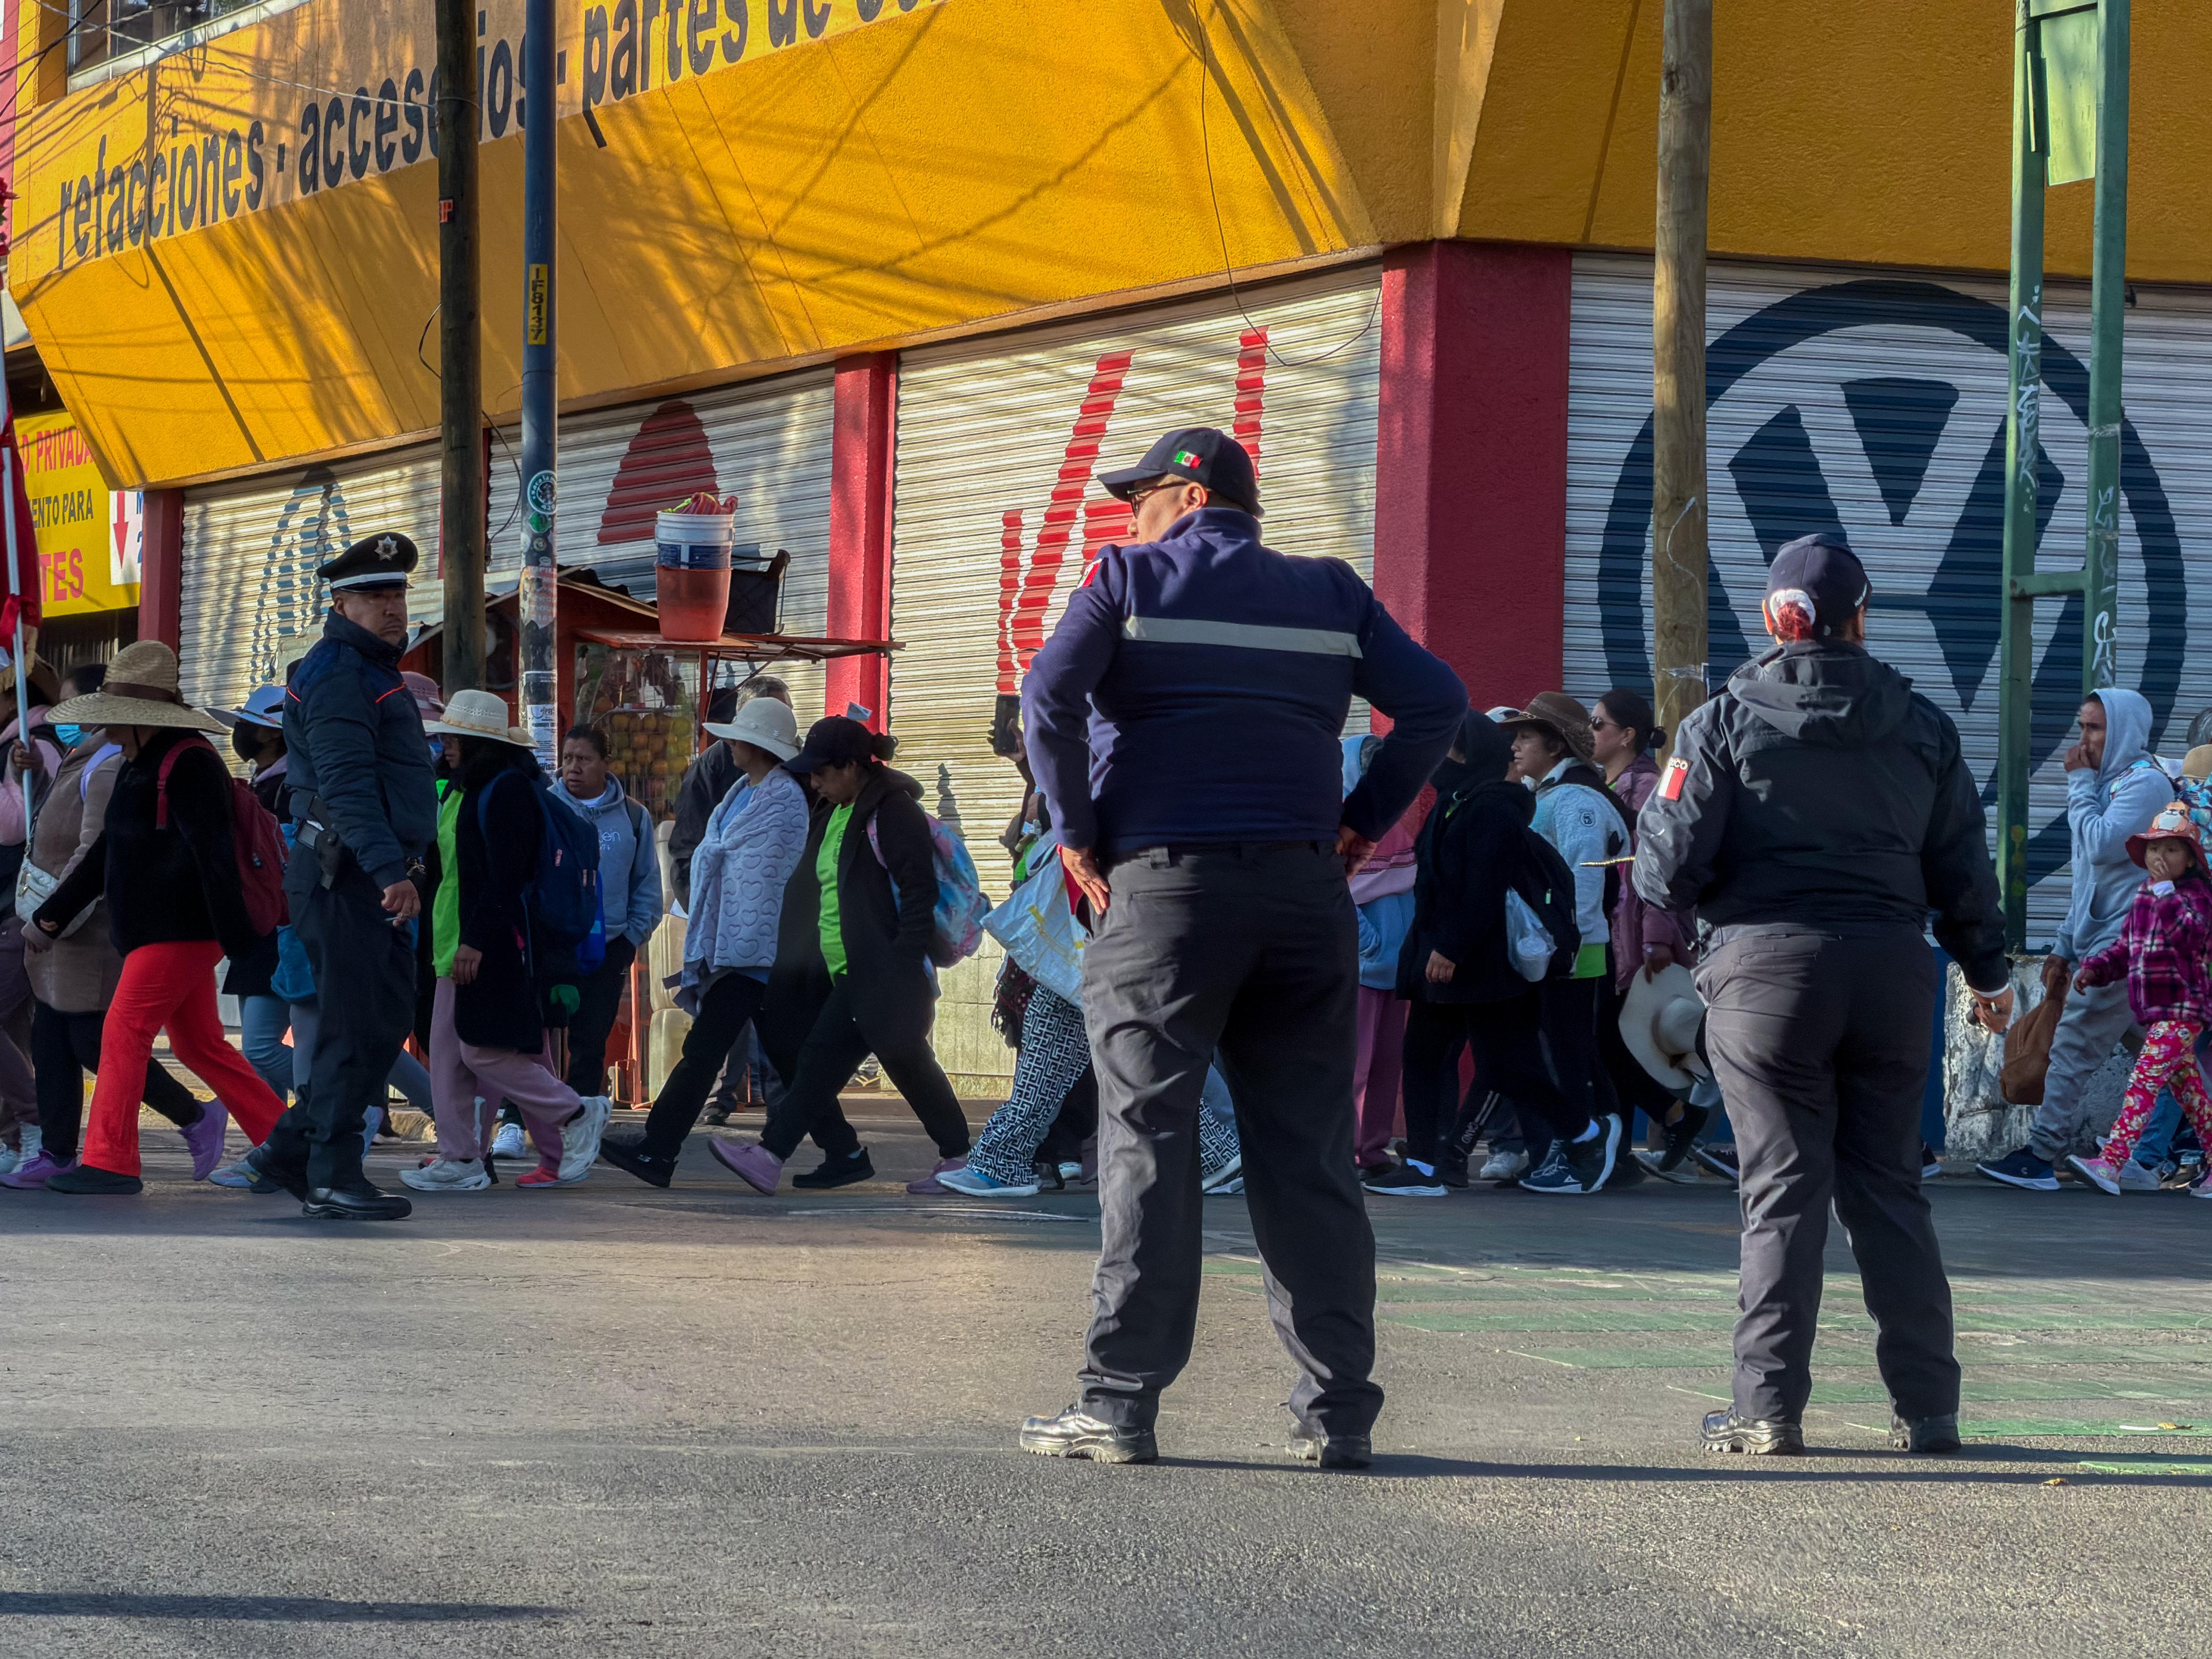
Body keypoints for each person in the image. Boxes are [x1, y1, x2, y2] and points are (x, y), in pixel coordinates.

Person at [1014, 425, 1464, 1468]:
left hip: (1165, 897)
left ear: (1185, 494)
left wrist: (1074, 832)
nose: (1127, 517)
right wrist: (1362, 820)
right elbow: (1436, 703)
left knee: (1149, 1144)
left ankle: (1118, 1404)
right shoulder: (1332, 594)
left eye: (1139, 497)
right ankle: (1336, 1413)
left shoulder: (1125, 580)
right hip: (1306, 899)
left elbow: (1048, 697)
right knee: (1309, 1153)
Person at [1634, 533, 2013, 1456]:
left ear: (1775, 619)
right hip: (1890, 968)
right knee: (1890, 1191)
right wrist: (1991, 973)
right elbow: (1964, 870)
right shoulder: (1923, 723)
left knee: (1783, 1192)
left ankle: (1767, 1410)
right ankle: (1930, 1411)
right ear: (1860, 618)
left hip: (1767, 977)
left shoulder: (1719, 723)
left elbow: (1666, 869)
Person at [28, 644, 287, 1196]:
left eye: (116, 720)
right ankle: (290, 1145)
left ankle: (111, 1161)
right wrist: (52, 918)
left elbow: (214, 856)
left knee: (124, 1030)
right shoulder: (139, 761)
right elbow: (105, 856)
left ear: (142, 720)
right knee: (199, 1046)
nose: (107, 730)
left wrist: (239, 940)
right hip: (166, 932)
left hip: (181, 932)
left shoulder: (189, 761)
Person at [240, 532, 439, 1221]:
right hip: (345, 875)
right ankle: (329, 1172)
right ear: (341, 602)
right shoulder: (339, 675)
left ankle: (294, 1151)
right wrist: (392, 872)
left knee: (377, 1026)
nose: (392, 608)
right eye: (376, 596)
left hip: (366, 875)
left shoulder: (373, 672)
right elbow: (349, 788)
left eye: (398, 594)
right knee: (358, 1029)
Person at [710, 717, 972, 1193]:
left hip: (880, 972)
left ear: (852, 767)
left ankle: (771, 1155)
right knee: (899, 1064)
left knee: (829, 1062)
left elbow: (919, 894)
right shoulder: (837, 811)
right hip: (847, 970)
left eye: (822, 774)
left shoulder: (893, 813)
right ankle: (955, 1158)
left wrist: (901, 964)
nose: (815, 783)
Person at [1370, 710, 1596, 1199]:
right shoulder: (1459, 800)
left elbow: (1483, 887)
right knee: (1446, 1058)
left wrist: (1451, 947)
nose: (1438, 758)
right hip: (1454, 961)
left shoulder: (1493, 807)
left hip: (1474, 964)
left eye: (1448, 748)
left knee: (1503, 1063)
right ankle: (1428, 1166)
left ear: (1469, 753)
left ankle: (1580, 1133)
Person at [3, 679, 216, 1188]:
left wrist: (52, 917)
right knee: (52, 1037)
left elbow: (94, 852)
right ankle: (55, 1151)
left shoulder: (107, 765)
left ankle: (192, 1116)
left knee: (91, 1042)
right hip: (59, 923)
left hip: (85, 927)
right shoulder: (88, 754)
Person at [401, 692, 611, 1192]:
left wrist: (474, 939)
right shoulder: (461, 787)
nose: (446, 745)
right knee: (456, 1054)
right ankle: (465, 1158)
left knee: (481, 1053)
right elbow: (444, 865)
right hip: (452, 942)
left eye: (454, 738)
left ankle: (578, 1112)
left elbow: (505, 875)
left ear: (477, 743)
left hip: (489, 944)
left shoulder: (506, 789)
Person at [598, 696, 807, 1187]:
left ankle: (659, 1148)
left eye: (739, 738)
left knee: (707, 1051)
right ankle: (842, 1149)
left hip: (756, 949)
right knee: (792, 1059)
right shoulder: (742, 790)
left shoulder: (782, 799)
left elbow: (770, 877)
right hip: (738, 946)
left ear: (757, 747)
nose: (730, 744)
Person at [1977, 688, 2171, 1192]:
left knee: (2070, 1049)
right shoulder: (2106, 784)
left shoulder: (2144, 784)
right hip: (2104, 945)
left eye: (2095, 729)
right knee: (2167, 1060)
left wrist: (2080, 783)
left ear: (2124, 731)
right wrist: (2063, 945)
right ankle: (2146, 1162)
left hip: (2125, 947)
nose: (2082, 741)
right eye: (2082, 726)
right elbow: (2088, 878)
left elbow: (2104, 846)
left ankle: (2041, 1156)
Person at [1497, 693, 1633, 1193]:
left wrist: (1565, 946)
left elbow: (1585, 880)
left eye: (1525, 738)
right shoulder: (1556, 795)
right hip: (1561, 946)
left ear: (1555, 746)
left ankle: (1582, 1154)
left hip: (1574, 947)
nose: (1515, 748)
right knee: (1572, 1051)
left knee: (1569, 1055)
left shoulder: (1577, 801)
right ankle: (1604, 1148)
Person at [2062, 804, 2212, 1200]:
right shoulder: (2144, 894)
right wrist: (2097, 968)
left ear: (2190, 860)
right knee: (2192, 1096)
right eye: (2153, 850)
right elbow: (2127, 948)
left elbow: (2189, 937)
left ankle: (2111, 1162)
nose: (2159, 860)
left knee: (2145, 1079)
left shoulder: (2196, 896)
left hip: (2183, 1009)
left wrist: (2165, 892)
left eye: (2171, 851)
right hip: (2156, 1012)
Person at [1589, 689, 1707, 1182]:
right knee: (1611, 1043)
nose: (1590, 732)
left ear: (1627, 735)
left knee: (1613, 1041)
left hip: (1635, 939)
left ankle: (1672, 1117)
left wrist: (1657, 938)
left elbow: (1654, 872)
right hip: (1610, 935)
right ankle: (1629, 1148)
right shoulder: (1609, 785)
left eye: (1598, 724)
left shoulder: (1647, 789)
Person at [552, 723, 664, 1098]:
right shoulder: (546, 808)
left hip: (610, 945)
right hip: (554, 944)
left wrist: (632, 936)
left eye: (584, 759)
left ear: (606, 763)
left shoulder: (633, 817)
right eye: (568, 759)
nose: (573, 768)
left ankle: (581, 1121)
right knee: (539, 1036)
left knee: (590, 1040)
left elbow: (647, 883)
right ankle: (524, 1120)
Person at [1344, 735, 1418, 1182]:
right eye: (1369, 766)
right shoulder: (1344, 829)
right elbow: (1337, 892)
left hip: (1396, 971)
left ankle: (1372, 1151)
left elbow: (1408, 891)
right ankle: (1344, 1149)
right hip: (1359, 969)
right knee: (1354, 1066)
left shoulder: (1397, 828)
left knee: (1387, 1066)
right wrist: (1368, 943)